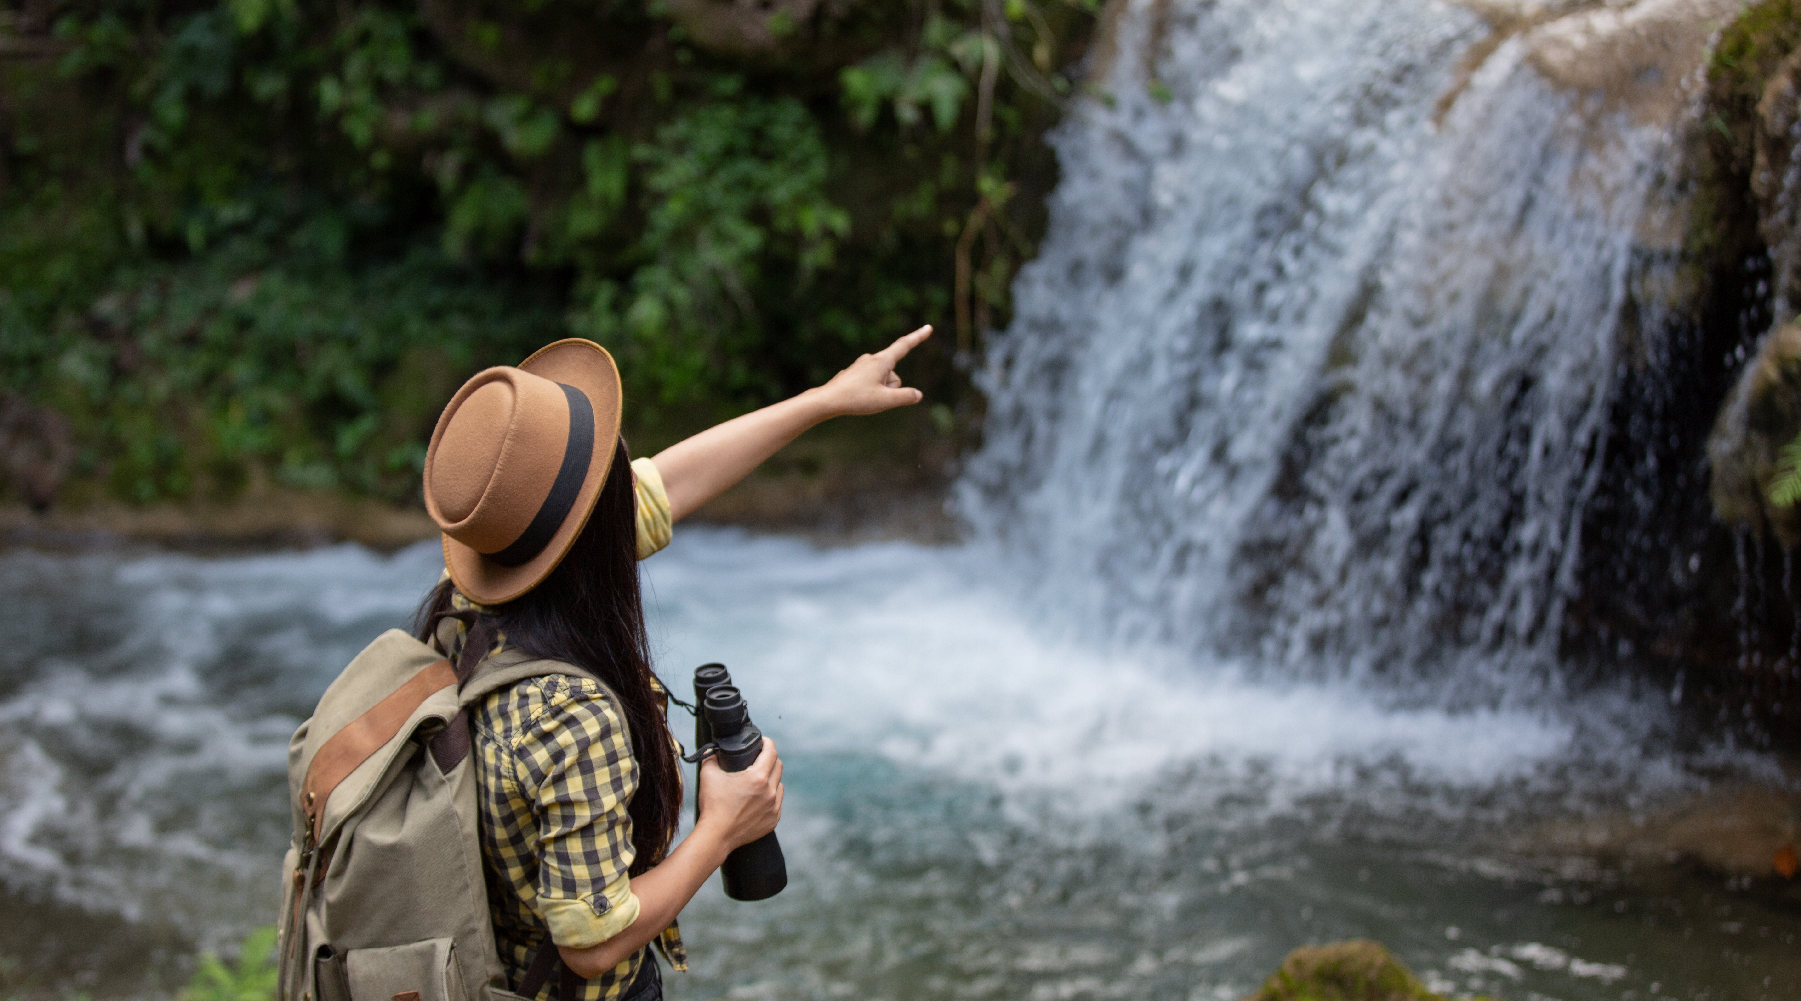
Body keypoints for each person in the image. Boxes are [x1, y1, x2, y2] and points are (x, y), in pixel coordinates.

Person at [409, 325, 934, 1001]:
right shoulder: (571, 712)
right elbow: (592, 940)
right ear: (594, 529)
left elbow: (668, 482)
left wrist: (823, 400)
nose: (627, 476)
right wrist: (723, 827)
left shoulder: (470, 608)